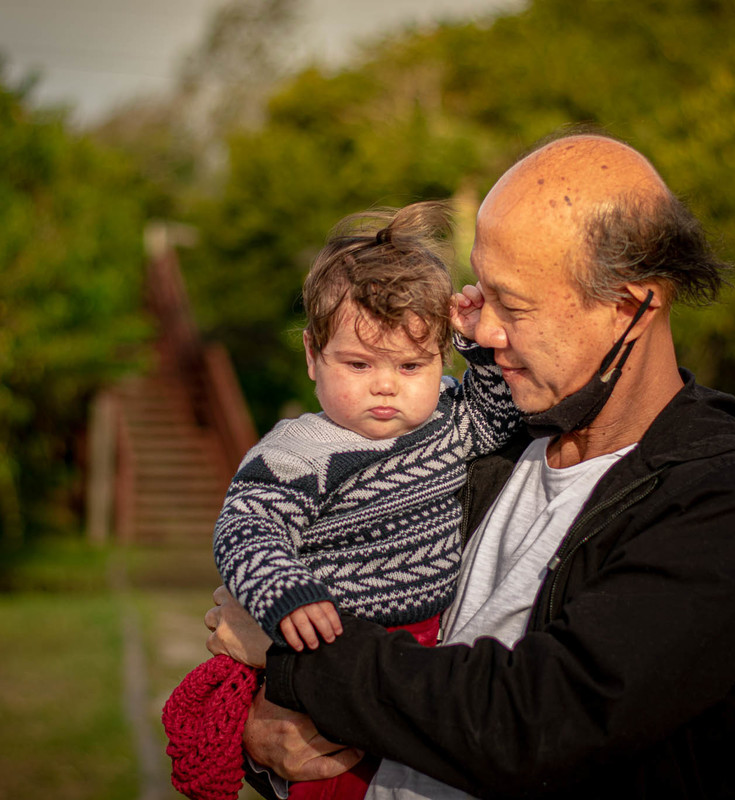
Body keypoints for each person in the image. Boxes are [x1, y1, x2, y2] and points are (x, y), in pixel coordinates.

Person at [204, 132, 735, 800]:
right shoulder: (486, 434)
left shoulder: (730, 501)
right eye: (480, 295)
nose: (482, 333)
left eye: (513, 306)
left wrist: (297, 659)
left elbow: (537, 724)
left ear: (631, 306)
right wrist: (268, 742)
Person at [163, 201, 522, 800]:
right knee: (334, 780)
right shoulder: (302, 449)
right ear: (312, 355)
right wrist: (284, 593)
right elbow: (247, 528)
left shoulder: (448, 417)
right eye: (358, 364)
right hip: (331, 643)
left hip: (428, 650)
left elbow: (495, 416)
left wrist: (481, 349)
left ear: (442, 358)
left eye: (412, 364)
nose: (386, 384)